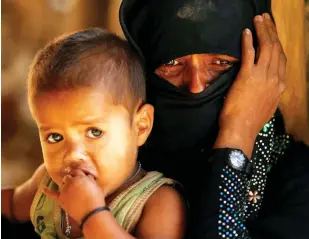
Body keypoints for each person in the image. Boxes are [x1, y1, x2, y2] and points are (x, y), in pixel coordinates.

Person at [119, 0, 309, 238]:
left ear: (265, 66)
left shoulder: (307, 187)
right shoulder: (113, 177)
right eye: (172, 64)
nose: (196, 87)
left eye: (221, 63)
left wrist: (236, 135)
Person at [1, 28, 186, 239]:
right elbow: (10, 204)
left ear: (140, 126)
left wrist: (92, 215)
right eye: (55, 137)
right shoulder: (46, 184)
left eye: (94, 132)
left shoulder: (157, 202)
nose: (73, 154)